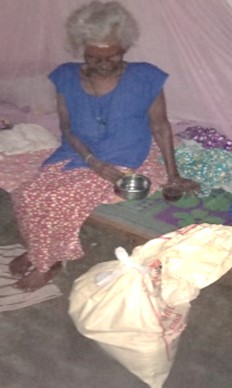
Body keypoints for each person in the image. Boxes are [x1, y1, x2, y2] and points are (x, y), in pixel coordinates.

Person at [9, 1, 199, 291]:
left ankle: (47, 262)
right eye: (93, 57)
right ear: (81, 48)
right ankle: (40, 248)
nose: (102, 64)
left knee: (58, 200)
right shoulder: (65, 76)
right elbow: (67, 127)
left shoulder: (146, 77)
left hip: (125, 157)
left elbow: (160, 127)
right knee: (27, 194)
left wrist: (173, 174)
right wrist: (92, 162)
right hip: (76, 153)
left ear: (123, 48)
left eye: (111, 56)